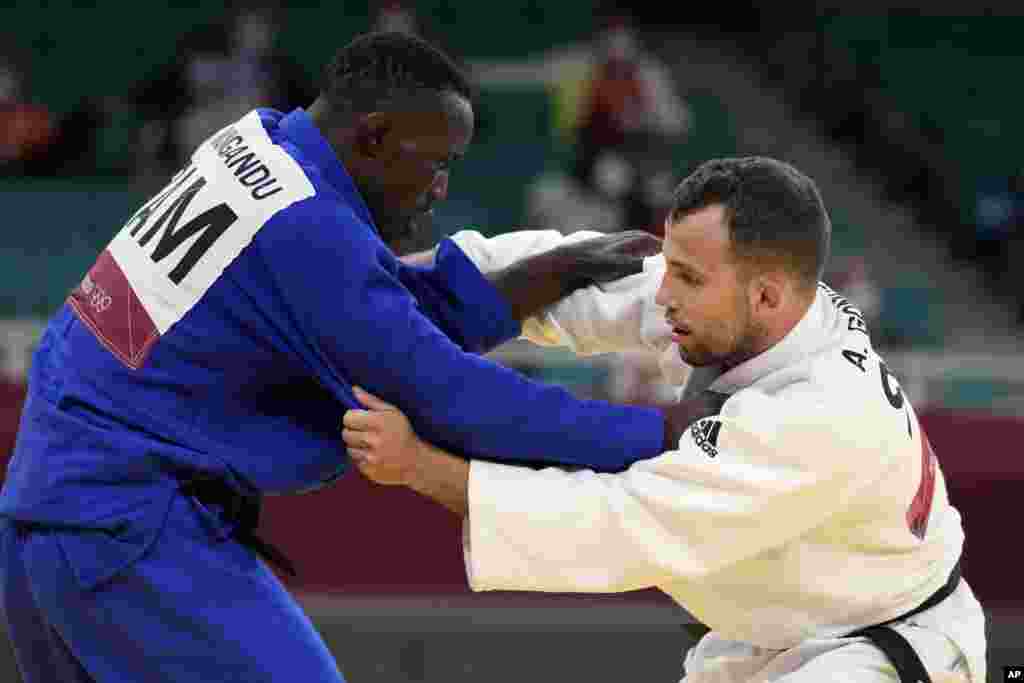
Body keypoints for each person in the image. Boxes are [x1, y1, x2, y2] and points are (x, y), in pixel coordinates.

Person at [0, 32, 710, 682]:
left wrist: (546, 274)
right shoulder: (308, 231)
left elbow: (369, 318)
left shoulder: (256, 146)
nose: (440, 190)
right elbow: (453, 398)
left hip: (47, 523)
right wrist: (663, 435)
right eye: (436, 165)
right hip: (126, 536)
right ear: (373, 137)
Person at [343, 157, 986, 683]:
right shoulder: (757, 307)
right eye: (669, 266)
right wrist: (393, 283)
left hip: (880, 648)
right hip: (778, 626)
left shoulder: (817, 417)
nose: (663, 292)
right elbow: (586, 283)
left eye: (685, 276)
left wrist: (420, 468)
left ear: (766, 294)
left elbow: (618, 522)